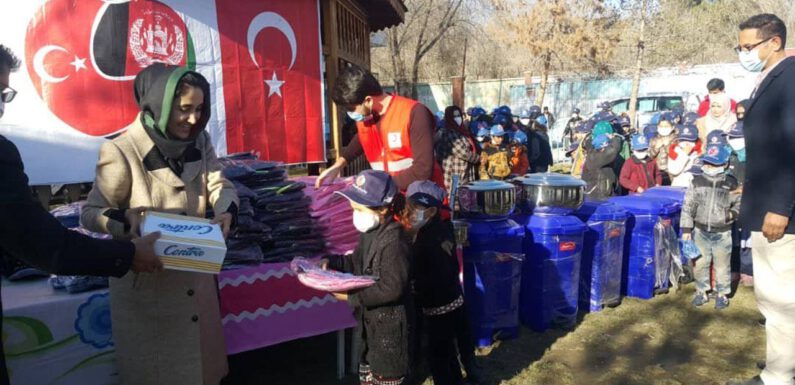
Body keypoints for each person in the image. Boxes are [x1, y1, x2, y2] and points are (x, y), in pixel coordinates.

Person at [0, 45, 163, 385]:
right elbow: (55, 236)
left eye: (4, 94)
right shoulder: (119, 147)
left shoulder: (200, 143)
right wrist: (126, 244)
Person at [81, 63, 239, 385]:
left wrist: (226, 212)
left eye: (199, 109)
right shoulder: (121, 151)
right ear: (159, 104)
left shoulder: (199, 141)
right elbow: (92, 212)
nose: (193, 119)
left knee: (202, 373)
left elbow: (220, 186)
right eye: (184, 109)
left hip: (196, 285)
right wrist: (124, 221)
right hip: (149, 296)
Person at [728, 13, 795, 385]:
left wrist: (780, 207)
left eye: (748, 46)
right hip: (766, 198)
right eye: (739, 47)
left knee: (781, 300)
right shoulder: (770, 78)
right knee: (777, 300)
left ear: (773, 42)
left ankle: (779, 377)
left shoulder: (790, 79)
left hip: (779, 211)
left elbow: (791, 146)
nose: (743, 53)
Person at [327, 170, 413, 385]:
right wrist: (333, 263)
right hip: (371, 332)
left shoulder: (396, 240)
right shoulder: (369, 233)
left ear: (383, 208)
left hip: (391, 335)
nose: (353, 212)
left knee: (385, 378)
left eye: (358, 208)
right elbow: (357, 261)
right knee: (368, 376)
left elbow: (391, 288)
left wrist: (351, 297)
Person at [402, 181, 480, 385]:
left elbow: (440, 272)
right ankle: (466, 373)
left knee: (440, 357)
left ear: (431, 211)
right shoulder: (439, 230)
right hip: (452, 301)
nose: (409, 215)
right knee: (450, 353)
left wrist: (415, 287)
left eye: (413, 210)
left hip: (439, 308)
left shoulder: (432, 239)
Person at [317, 64, 441, 190]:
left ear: (368, 101)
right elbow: (362, 138)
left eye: (351, 108)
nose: (350, 113)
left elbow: (423, 170)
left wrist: (380, 186)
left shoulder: (414, 113)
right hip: (388, 198)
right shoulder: (366, 116)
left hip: (422, 199)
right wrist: (339, 164)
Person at [681, 143, 740, 310]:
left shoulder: (731, 183)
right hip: (700, 231)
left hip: (723, 232)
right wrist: (686, 229)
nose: (709, 167)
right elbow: (688, 206)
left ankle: (722, 293)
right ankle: (701, 291)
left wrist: (731, 215)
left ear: (725, 164)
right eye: (707, 163)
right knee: (700, 263)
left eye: (714, 164)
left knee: (722, 265)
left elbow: (739, 203)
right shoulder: (697, 182)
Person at [435, 106, 479, 193]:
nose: (457, 118)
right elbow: (463, 153)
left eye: (459, 115)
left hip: (465, 174)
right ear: (449, 117)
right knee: (456, 201)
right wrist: (479, 158)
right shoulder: (448, 133)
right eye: (454, 116)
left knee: (467, 201)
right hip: (455, 175)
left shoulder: (462, 131)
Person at [582, 125, 622, 200]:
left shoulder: (598, 156)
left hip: (606, 193)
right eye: (606, 148)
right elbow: (613, 150)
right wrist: (614, 138)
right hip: (598, 197)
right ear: (601, 148)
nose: (607, 149)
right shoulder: (595, 158)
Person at [649, 113, 678, 185]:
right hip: (657, 172)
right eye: (661, 126)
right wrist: (656, 148)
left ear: (672, 127)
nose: (663, 128)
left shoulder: (676, 139)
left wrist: (667, 145)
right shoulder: (654, 140)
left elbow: (677, 156)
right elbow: (649, 156)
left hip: (672, 173)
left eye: (666, 126)